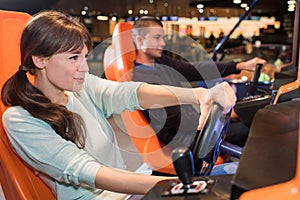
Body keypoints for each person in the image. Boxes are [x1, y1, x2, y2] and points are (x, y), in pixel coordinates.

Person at [0, 10, 236, 200]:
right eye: (73, 58)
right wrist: (172, 185)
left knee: (235, 176)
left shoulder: (79, 88)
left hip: (130, 188)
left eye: (84, 57)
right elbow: (90, 172)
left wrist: (198, 94)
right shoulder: (20, 119)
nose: (84, 68)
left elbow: (131, 92)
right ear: (39, 60)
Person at [131, 16, 267, 148]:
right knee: (253, 131)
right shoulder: (142, 79)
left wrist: (239, 66)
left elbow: (196, 69)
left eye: (162, 38)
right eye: (157, 38)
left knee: (251, 123)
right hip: (182, 138)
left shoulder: (161, 62)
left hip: (194, 126)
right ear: (139, 40)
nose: (163, 43)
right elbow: (174, 118)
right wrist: (223, 116)